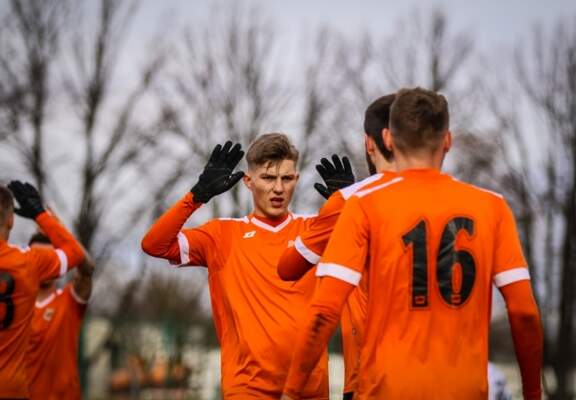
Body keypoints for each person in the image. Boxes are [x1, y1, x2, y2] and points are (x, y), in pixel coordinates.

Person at [282, 88, 543, 399]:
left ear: (388, 139)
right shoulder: (492, 206)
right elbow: (524, 313)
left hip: (386, 388)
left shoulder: (362, 205)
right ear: (448, 140)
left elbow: (324, 311)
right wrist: (532, 392)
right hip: (464, 390)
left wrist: (291, 391)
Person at [141, 134, 352, 399]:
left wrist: (352, 206)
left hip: (309, 389)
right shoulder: (221, 235)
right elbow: (154, 245)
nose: (278, 188)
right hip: (247, 389)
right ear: (249, 182)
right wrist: (197, 195)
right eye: (268, 178)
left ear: (296, 180)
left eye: (286, 178)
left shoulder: (316, 230)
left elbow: (376, 250)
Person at [277, 94, 397, 400]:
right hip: (447, 382)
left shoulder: (351, 202)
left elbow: (288, 267)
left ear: (371, 143)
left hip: (369, 380)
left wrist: (343, 211)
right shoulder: (468, 204)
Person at [0, 181, 85, 399]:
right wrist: (41, 215)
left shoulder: (66, 299)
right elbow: (75, 253)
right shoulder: (27, 262)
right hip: (11, 388)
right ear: (11, 220)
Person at [25, 232, 94, 400]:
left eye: (50, 257)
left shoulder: (69, 299)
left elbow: (87, 270)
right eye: (38, 257)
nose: (44, 263)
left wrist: (55, 227)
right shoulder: (14, 305)